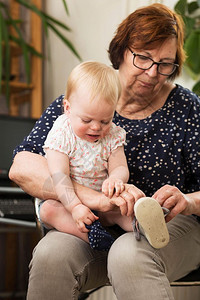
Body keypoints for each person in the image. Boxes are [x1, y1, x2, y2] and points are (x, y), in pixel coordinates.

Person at [9, 3, 200, 300]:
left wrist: (186, 201)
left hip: (173, 226)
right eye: (143, 58)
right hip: (95, 224)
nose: (153, 73)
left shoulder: (186, 109)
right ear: (122, 50)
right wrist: (96, 199)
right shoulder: (83, 99)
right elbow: (22, 167)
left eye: (165, 64)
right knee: (51, 254)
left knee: (130, 253)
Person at [41, 61, 132, 251]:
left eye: (105, 120)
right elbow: (59, 176)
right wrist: (74, 207)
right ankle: (93, 235)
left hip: (102, 200)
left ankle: (142, 228)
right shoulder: (62, 133)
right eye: (87, 120)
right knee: (48, 210)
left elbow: (120, 167)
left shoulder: (113, 135)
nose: (96, 127)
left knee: (123, 208)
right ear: (67, 108)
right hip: (66, 200)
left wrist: (116, 179)